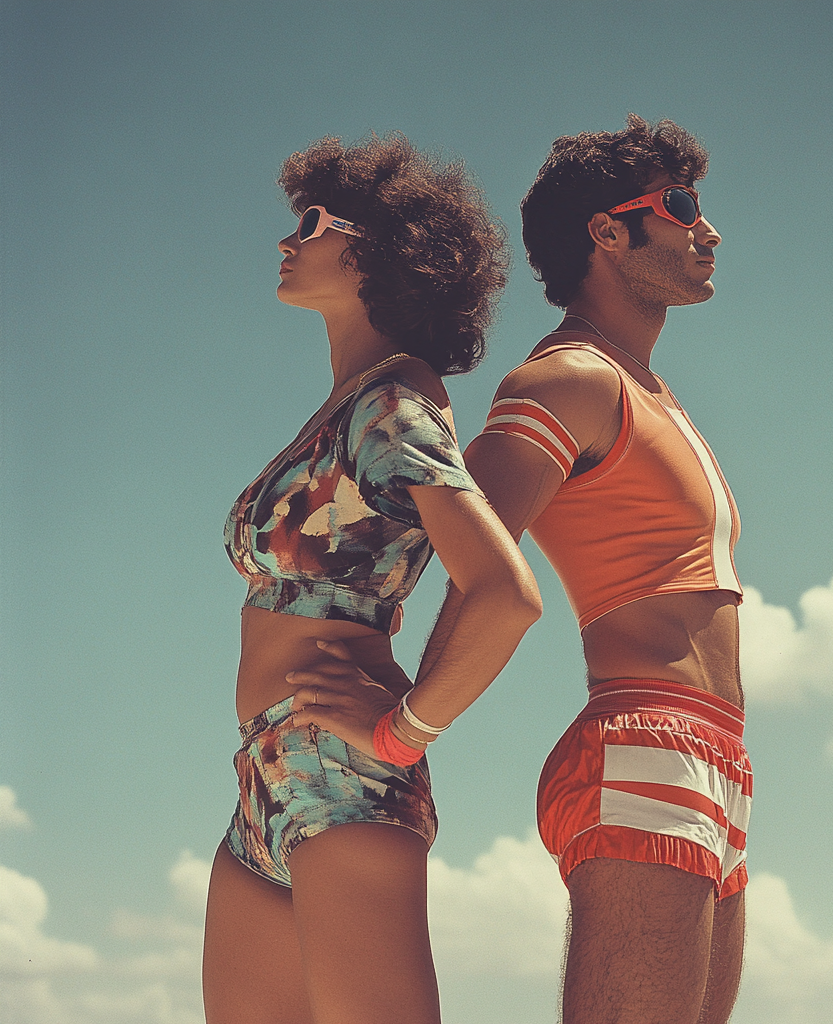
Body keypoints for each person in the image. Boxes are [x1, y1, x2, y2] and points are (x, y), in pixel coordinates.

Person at [202, 133, 542, 1024]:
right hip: (263, 775)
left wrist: (404, 732)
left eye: (310, 223)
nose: (288, 240)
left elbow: (507, 595)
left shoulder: (395, 404)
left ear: (375, 251)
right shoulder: (351, 404)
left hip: (345, 771)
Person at [429, 114, 750, 1023]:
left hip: (717, 761)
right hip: (643, 741)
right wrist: (399, 734)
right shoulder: (567, 379)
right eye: (681, 207)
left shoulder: (644, 388)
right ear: (607, 232)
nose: (708, 230)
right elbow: (463, 560)